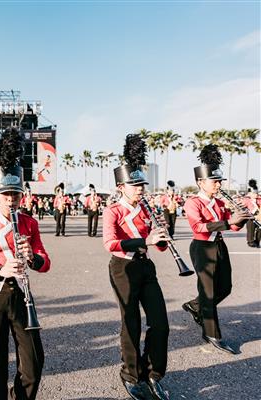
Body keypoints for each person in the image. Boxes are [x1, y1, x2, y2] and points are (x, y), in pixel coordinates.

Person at [0, 127, 50, 400]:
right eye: (6, 195)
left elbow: (45, 262)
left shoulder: (29, 223)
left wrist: (32, 258)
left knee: (34, 363)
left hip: (22, 296)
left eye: (15, 194)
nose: (11, 200)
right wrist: (0, 270)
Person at [102, 134, 171, 400]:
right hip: (123, 268)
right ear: (121, 186)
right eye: (135, 184)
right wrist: (145, 239)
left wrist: (162, 237)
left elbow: (159, 246)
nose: (141, 188)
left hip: (145, 267)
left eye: (142, 183)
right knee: (131, 322)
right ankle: (131, 375)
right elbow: (110, 243)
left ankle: (154, 374)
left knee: (160, 323)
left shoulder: (147, 208)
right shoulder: (113, 211)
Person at [181, 144, 250, 354]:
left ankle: (195, 306)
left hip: (219, 246)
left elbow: (233, 226)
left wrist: (243, 218)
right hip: (202, 248)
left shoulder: (220, 202)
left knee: (225, 287)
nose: (218, 184)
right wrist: (229, 223)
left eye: (220, 181)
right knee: (208, 292)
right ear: (201, 182)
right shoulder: (192, 203)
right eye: (215, 181)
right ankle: (212, 333)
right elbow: (199, 228)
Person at [242, 179, 260, 248]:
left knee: (260, 229)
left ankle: (257, 241)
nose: (256, 194)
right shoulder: (246, 200)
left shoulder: (259, 199)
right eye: (254, 193)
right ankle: (250, 241)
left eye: (256, 193)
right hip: (250, 217)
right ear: (250, 193)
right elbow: (242, 207)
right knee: (250, 228)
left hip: (258, 217)